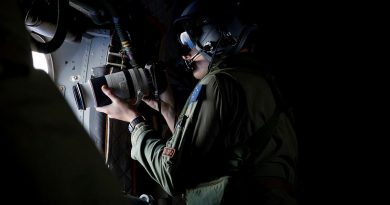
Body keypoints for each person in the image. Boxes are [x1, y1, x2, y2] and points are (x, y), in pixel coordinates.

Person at [96, 0, 299, 204]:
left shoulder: (219, 83)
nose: (184, 53)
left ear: (213, 38)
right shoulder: (258, 80)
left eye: (188, 40)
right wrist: (168, 110)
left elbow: (172, 175)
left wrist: (133, 120)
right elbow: (200, 154)